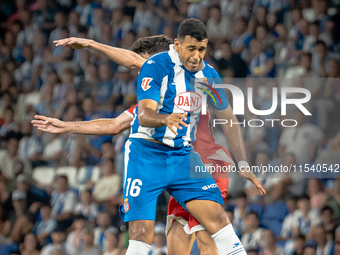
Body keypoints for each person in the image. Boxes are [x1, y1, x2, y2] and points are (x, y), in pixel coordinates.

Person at [33, 28, 265, 255]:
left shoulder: (188, 75)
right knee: (172, 240)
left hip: (198, 163)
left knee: (209, 235)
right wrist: (66, 126)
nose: (141, 75)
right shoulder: (153, 99)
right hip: (159, 161)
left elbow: (135, 62)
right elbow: (114, 125)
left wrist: (92, 44)